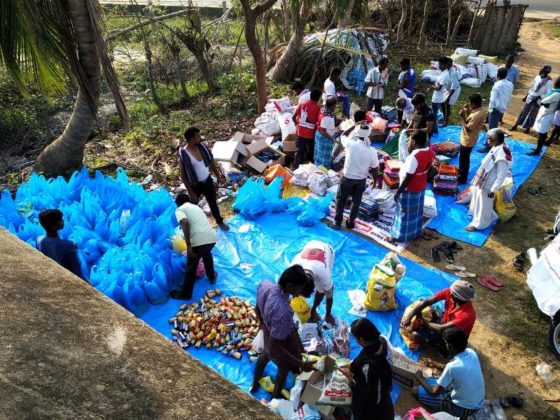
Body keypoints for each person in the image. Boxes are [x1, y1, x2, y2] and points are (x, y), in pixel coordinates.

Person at [251, 265, 315, 398]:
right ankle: (274, 398)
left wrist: (263, 325)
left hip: (268, 331)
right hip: (277, 341)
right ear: (290, 286)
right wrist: (301, 364)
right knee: (284, 367)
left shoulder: (265, 285)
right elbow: (275, 346)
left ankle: (255, 383)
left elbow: (257, 309)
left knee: (264, 355)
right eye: (300, 288)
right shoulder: (283, 311)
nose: (300, 293)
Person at [415, 327, 485, 419]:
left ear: (450, 346)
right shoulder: (471, 352)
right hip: (478, 401)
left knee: (416, 391)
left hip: (463, 408)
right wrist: (435, 363)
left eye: (446, 343)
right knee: (433, 381)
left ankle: (444, 409)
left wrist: (420, 378)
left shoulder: (452, 367)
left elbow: (434, 392)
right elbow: (455, 368)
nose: (445, 345)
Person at [338, 318, 394, 420]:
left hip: (373, 410)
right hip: (384, 387)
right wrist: (352, 364)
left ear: (362, 340)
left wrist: (351, 379)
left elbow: (372, 398)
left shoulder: (370, 368)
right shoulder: (382, 341)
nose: (355, 341)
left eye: (356, 339)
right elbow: (364, 356)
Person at [401, 280, 477, 351]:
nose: (450, 294)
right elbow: (426, 302)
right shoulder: (451, 292)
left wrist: (422, 320)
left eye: (453, 294)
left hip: (450, 336)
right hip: (444, 322)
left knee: (415, 335)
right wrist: (409, 316)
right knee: (425, 310)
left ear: (459, 298)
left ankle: (445, 350)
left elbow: (441, 329)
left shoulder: (468, 315)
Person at [178, 127, 229, 230]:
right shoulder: (184, 154)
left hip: (207, 180)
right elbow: (183, 176)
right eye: (197, 136)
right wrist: (190, 192)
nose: (200, 138)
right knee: (193, 207)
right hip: (195, 185)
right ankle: (193, 227)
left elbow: (211, 162)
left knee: (213, 203)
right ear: (191, 139)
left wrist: (218, 176)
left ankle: (219, 222)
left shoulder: (202, 147)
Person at [390, 130, 436, 242]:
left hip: (410, 188)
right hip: (421, 185)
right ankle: (415, 232)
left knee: (404, 212)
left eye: (410, 139)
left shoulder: (414, 156)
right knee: (416, 212)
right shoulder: (431, 152)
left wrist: (399, 192)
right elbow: (429, 169)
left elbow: (408, 177)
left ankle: (399, 236)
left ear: (414, 141)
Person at [332, 122, 379, 230]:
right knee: (356, 202)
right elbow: (375, 167)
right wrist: (375, 180)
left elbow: (343, 135)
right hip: (361, 180)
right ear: (368, 134)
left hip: (347, 178)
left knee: (341, 199)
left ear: (357, 133)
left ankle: (337, 222)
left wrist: (354, 125)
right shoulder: (372, 150)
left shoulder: (351, 144)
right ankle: (350, 223)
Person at [171, 193, 218, 300]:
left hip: (199, 241)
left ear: (178, 204)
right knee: (206, 254)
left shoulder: (179, 210)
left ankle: (186, 294)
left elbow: (185, 223)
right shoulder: (196, 207)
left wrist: (188, 244)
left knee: (191, 266)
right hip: (212, 238)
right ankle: (211, 276)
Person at [466, 129, 512, 231]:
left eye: (489, 138)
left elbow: (501, 175)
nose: (487, 140)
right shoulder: (497, 146)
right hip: (483, 178)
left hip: (489, 183)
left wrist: (493, 190)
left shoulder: (502, 156)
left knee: (484, 204)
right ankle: (477, 213)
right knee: (478, 197)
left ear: (495, 141)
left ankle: (480, 224)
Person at [291, 240, 335, 324]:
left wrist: (328, 314)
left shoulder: (323, 274)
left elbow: (329, 295)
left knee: (321, 290)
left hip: (327, 249)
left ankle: (314, 309)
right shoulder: (293, 268)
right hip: (312, 244)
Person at [37, 209, 85, 281]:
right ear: (54, 225)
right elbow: (78, 271)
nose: (63, 221)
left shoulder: (39, 239)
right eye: (61, 220)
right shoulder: (68, 245)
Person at [478, 67, 513, 153]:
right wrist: (506, 106)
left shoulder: (496, 85)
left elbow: (493, 100)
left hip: (495, 109)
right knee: (494, 126)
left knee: (492, 129)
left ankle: (489, 147)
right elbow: (510, 97)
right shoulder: (510, 84)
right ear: (506, 75)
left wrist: (491, 109)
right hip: (502, 108)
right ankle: (490, 143)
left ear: (497, 75)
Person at [511, 65, 553, 134]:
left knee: (532, 114)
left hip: (537, 100)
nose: (540, 71)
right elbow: (532, 87)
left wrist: (539, 97)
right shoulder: (537, 77)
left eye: (542, 71)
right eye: (541, 70)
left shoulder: (549, 82)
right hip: (530, 97)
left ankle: (528, 128)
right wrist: (526, 96)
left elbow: (548, 93)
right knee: (523, 112)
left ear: (546, 73)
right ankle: (515, 125)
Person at [528, 77, 560, 156]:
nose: (554, 83)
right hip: (546, 113)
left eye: (555, 82)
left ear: (557, 84)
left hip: (547, 115)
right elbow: (544, 97)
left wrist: (543, 101)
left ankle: (537, 151)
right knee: (543, 132)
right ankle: (539, 148)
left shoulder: (557, 94)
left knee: (542, 133)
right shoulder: (555, 92)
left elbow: (544, 100)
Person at [457, 94, 485, 184]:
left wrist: (462, 117)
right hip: (469, 138)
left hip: (468, 140)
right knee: (464, 158)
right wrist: (467, 112)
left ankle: (462, 179)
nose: (469, 104)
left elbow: (468, 128)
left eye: (470, 103)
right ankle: (462, 175)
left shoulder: (477, 114)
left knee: (463, 160)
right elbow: (470, 120)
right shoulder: (478, 111)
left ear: (474, 104)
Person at [293, 88, 322, 168]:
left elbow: (293, 117)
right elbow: (319, 122)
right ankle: (312, 167)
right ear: (318, 98)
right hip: (311, 135)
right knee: (312, 151)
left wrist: (297, 124)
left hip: (300, 132)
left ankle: (295, 169)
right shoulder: (318, 108)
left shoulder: (302, 104)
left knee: (299, 151)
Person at [314, 96, 338, 168]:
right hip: (324, 138)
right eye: (335, 105)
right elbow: (323, 131)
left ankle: (318, 166)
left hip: (320, 134)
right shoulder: (326, 117)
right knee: (324, 156)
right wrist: (332, 138)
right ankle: (324, 169)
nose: (335, 107)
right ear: (332, 105)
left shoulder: (323, 109)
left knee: (319, 153)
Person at [430, 57, 450, 135]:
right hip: (436, 96)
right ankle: (434, 129)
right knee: (434, 114)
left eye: (441, 64)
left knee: (434, 115)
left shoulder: (445, 75)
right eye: (439, 64)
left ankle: (434, 129)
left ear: (445, 65)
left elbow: (439, 88)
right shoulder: (442, 73)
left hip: (437, 97)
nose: (439, 66)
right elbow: (438, 84)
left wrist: (432, 87)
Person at [443, 58, 461, 127]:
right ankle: (445, 117)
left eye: (446, 63)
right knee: (442, 103)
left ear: (450, 64)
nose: (444, 65)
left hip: (454, 90)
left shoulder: (453, 73)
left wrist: (448, 98)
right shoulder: (446, 71)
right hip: (448, 89)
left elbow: (454, 86)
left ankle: (446, 121)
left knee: (447, 104)